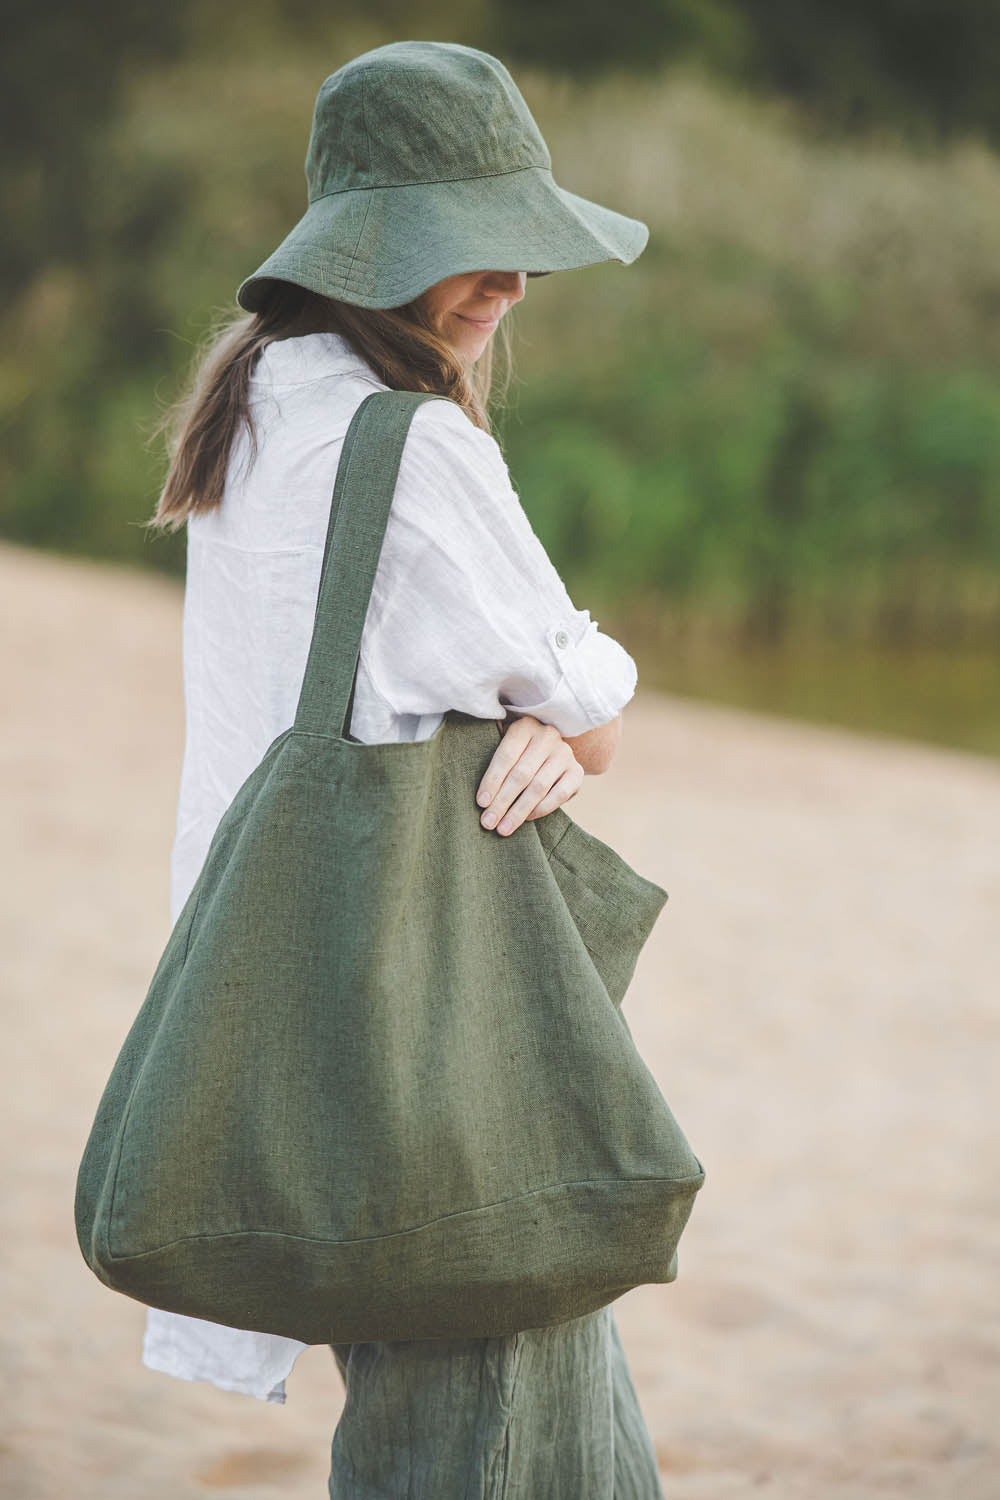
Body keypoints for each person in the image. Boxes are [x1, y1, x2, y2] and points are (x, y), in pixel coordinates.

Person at [143, 39, 664, 1499]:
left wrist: (540, 720)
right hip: (430, 1031)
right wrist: (565, 724)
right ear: (373, 253)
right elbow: (597, 709)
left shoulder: (255, 407)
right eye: (472, 250)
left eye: (520, 256)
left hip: (283, 1006)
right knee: (497, 1429)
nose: (505, 288)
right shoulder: (414, 447)